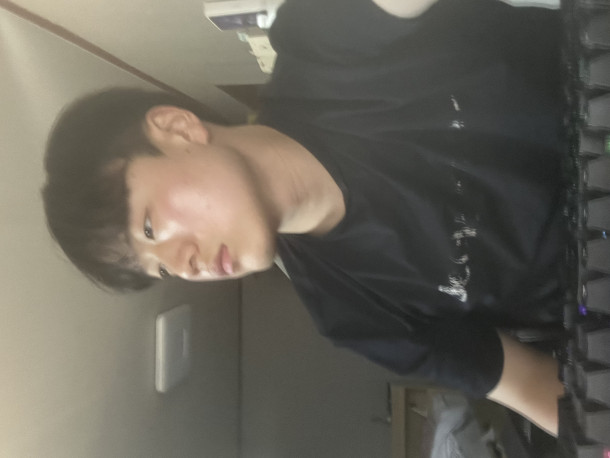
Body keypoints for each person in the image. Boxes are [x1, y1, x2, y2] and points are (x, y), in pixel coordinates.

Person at [43, 0, 568, 435]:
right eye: (161, 268)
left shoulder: (324, 44)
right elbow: (533, 385)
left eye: (151, 228)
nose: (185, 266)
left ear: (177, 129)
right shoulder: (353, 314)